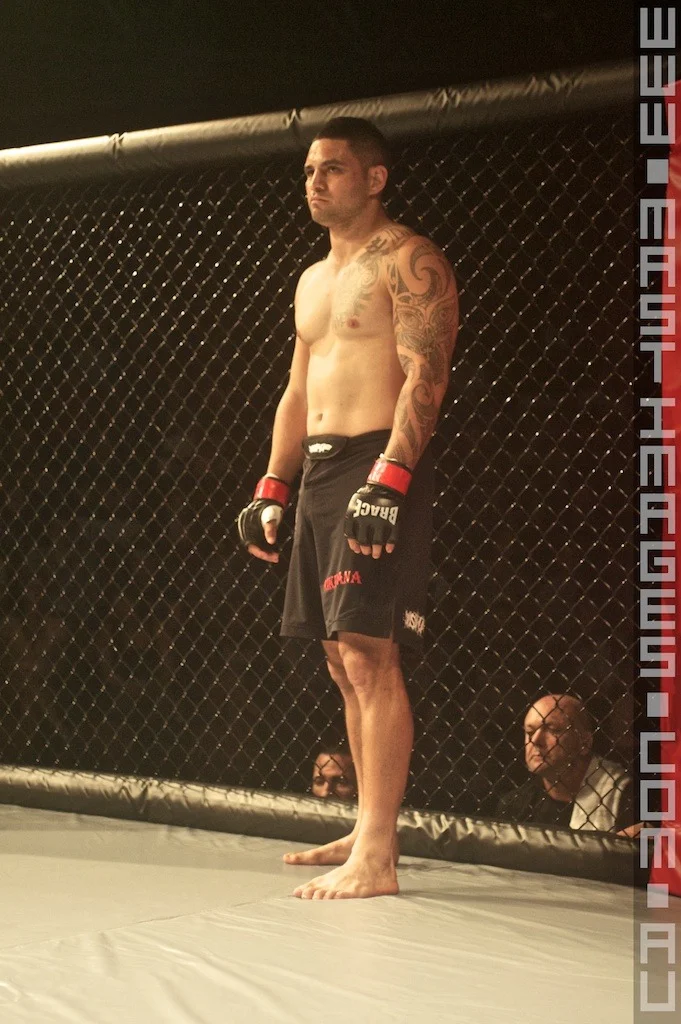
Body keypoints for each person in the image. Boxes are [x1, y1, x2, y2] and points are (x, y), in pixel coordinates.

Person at [237, 116, 458, 898]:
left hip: (378, 460)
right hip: (323, 472)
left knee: (370, 653)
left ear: (374, 178)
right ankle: (366, 827)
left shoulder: (410, 259)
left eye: (331, 168)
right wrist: (273, 483)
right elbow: (298, 390)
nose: (314, 182)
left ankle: (380, 853)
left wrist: (391, 477)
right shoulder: (311, 280)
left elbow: (426, 375)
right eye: (308, 170)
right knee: (338, 659)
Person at [495, 693, 633, 833]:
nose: (535, 740)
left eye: (553, 730)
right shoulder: (515, 804)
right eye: (530, 732)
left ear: (584, 743)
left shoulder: (624, 796)